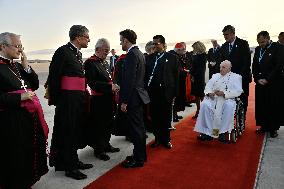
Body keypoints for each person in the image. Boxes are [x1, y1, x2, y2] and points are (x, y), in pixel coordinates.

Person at [0, 32, 49, 188]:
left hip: (28, 118)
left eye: (21, 46)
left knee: (28, 151)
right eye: (17, 46)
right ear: (2, 46)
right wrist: (19, 98)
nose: (20, 50)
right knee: (15, 155)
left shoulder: (17, 66)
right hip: (10, 119)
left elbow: (34, 85)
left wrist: (26, 65)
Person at [47, 25, 93, 180]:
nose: (89, 39)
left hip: (77, 99)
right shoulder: (63, 51)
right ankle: (69, 167)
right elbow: (54, 76)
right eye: (87, 37)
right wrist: (58, 100)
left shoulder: (77, 53)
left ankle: (72, 160)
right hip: (67, 100)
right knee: (68, 132)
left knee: (75, 130)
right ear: (78, 37)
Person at [84, 38, 120, 161]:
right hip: (98, 100)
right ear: (97, 49)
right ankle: (99, 150)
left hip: (109, 99)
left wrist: (114, 86)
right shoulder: (90, 63)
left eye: (108, 51)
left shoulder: (104, 62)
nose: (107, 53)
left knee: (108, 123)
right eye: (105, 50)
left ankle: (106, 144)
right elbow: (93, 83)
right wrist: (110, 86)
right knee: (99, 125)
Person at [119, 29, 150, 168]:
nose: (120, 43)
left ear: (126, 40)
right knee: (140, 127)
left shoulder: (131, 55)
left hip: (132, 98)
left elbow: (129, 80)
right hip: (139, 96)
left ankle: (138, 159)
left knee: (136, 129)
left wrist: (124, 101)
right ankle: (141, 155)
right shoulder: (140, 54)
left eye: (121, 40)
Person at [194, 60, 243, 142]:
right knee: (205, 104)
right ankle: (208, 132)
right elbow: (208, 87)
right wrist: (209, 93)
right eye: (220, 67)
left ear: (229, 68)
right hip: (214, 98)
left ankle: (222, 133)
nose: (221, 69)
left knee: (228, 107)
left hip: (227, 99)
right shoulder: (215, 76)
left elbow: (238, 91)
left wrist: (224, 93)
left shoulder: (236, 77)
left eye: (223, 67)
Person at [145, 35, 179, 149]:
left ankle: (166, 139)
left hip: (167, 93)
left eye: (157, 43)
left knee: (166, 117)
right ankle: (158, 138)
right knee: (155, 117)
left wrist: (175, 93)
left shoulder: (172, 58)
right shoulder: (149, 58)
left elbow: (176, 77)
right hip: (153, 93)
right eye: (153, 44)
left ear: (163, 44)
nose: (154, 46)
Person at [252, 31, 284, 138]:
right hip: (260, 82)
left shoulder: (277, 48)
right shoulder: (257, 49)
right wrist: (257, 78)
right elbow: (255, 66)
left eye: (262, 41)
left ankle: (273, 128)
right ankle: (263, 126)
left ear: (268, 38)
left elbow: (278, 66)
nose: (261, 44)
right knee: (262, 105)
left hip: (273, 83)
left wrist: (267, 79)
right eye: (259, 42)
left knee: (273, 105)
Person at [218, 25, 251, 118]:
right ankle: (231, 120)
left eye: (227, 34)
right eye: (224, 35)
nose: (225, 37)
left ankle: (242, 120)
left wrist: (238, 77)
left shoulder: (243, 43)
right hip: (228, 80)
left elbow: (246, 62)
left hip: (241, 78)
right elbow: (222, 63)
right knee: (230, 101)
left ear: (233, 33)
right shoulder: (224, 46)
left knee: (243, 100)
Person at [169, 43, 190, 122]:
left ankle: (175, 115)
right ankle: (174, 116)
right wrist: (185, 72)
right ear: (178, 49)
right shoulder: (173, 56)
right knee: (175, 99)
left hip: (178, 81)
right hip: (175, 82)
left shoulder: (175, 55)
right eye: (183, 50)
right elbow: (177, 70)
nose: (184, 51)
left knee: (178, 99)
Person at [190, 41, 207, 119]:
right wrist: (191, 72)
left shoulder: (203, 56)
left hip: (199, 78)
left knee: (201, 95)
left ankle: (203, 111)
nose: (193, 49)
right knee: (197, 95)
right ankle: (199, 110)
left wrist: (193, 75)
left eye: (194, 48)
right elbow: (194, 67)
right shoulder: (197, 55)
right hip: (195, 77)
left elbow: (200, 69)